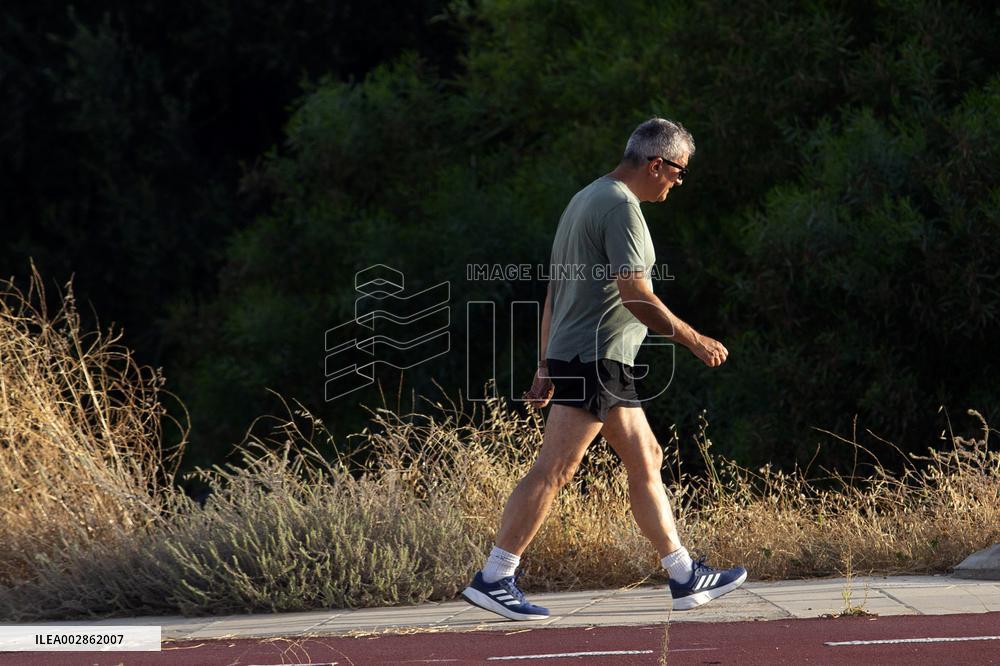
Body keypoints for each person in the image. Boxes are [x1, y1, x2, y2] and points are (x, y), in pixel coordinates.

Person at [460, 118, 747, 621]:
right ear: (657, 164)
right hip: (597, 358)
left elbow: (555, 288)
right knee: (556, 468)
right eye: (678, 173)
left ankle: (683, 575)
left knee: (646, 456)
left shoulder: (585, 197)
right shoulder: (621, 207)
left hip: (587, 357)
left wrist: (546, 362)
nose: (679, 182)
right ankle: (495, 575)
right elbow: (637, 295)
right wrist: (695, 339)